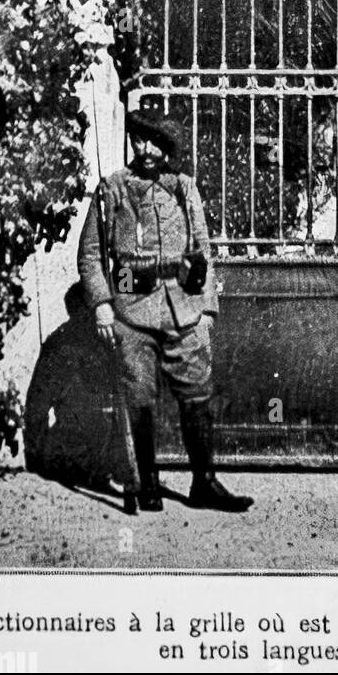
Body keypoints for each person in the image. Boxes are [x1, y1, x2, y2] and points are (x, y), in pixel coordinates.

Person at [78, 105, 252, 516]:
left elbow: (204, 251)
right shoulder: (112, 190)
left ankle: (204, 482)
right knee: (139, 395)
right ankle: (147, 483)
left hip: (184, 309)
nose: (147, 149)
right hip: (132, 313)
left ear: (167, 146)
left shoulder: (183, 188)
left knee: (197, 392)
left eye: (156, 141)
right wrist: (102, 306)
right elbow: (90, 256)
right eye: (140, 140)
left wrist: (207, 308)